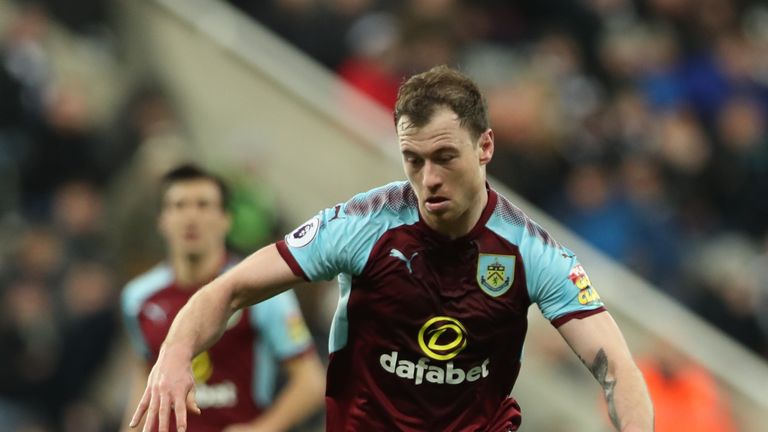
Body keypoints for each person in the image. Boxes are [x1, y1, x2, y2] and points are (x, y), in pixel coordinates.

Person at [129, 66, 654, 432]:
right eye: (413, 159)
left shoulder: (529, 250)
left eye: (445, 156)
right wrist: (175, 354)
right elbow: (231, 288)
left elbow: (617, 368)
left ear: (485, 147)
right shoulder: (361, 225)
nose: (428, 179)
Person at [121, 164, 325, 432]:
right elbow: (144, 377)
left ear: (226, 219)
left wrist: (261, 429)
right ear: (162, 220)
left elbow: (310, 382)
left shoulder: (260, 290)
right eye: (179, 206)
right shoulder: (139, 297)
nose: (191, 217)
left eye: (203, 205)